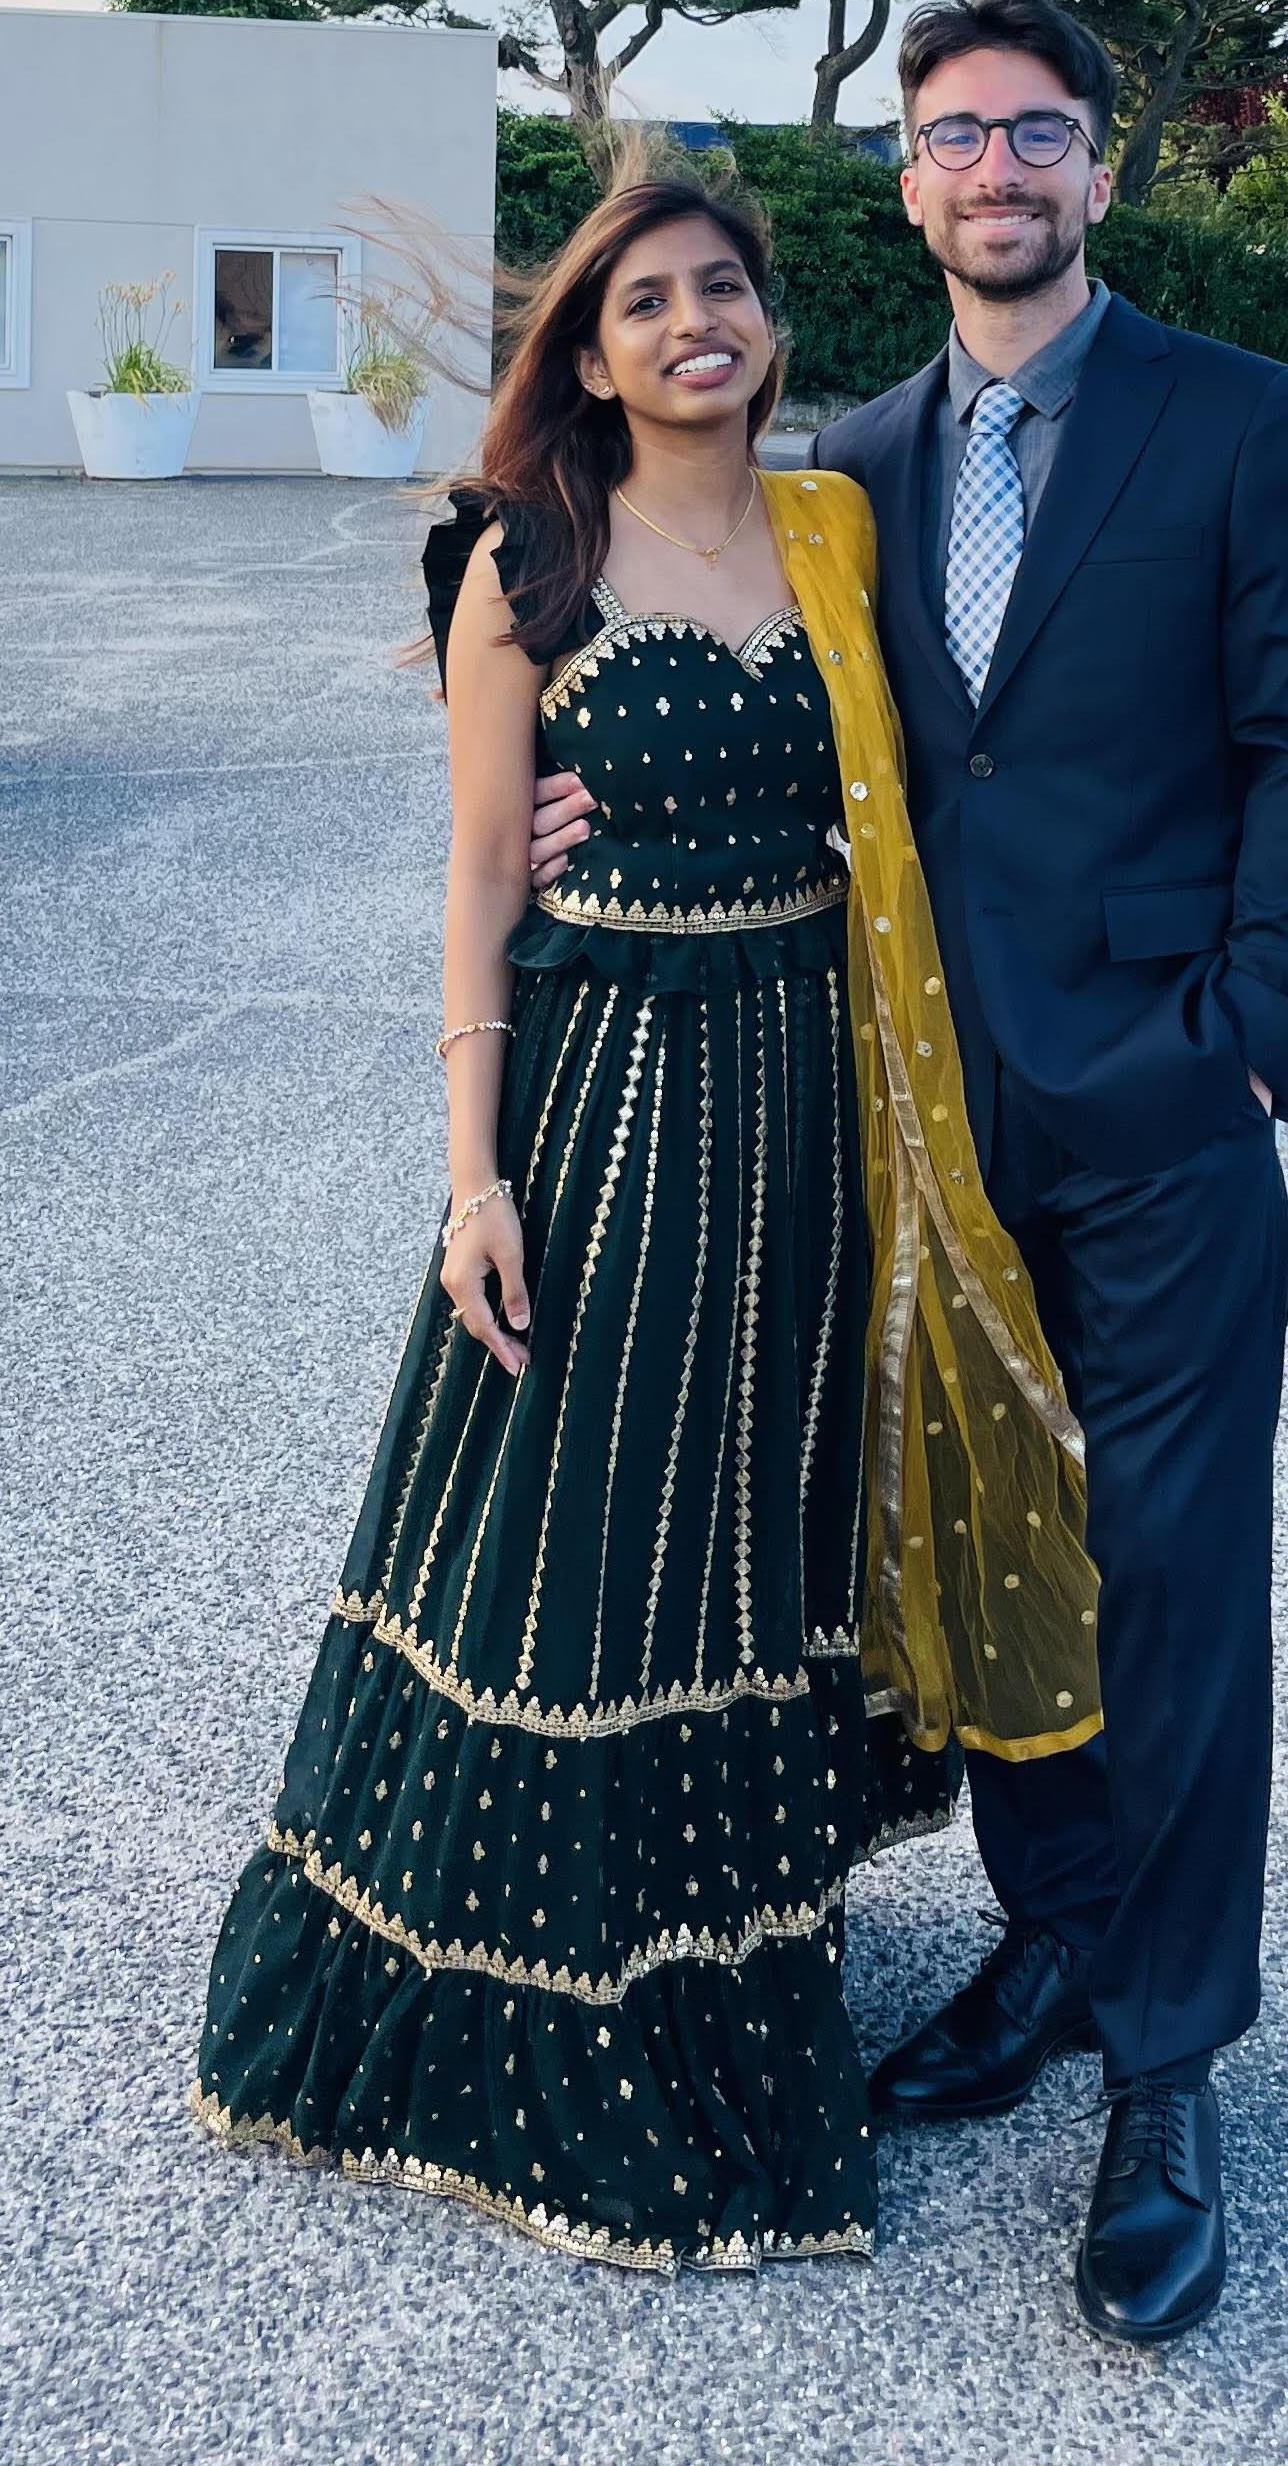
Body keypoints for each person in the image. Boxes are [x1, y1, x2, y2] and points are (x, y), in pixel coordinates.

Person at [532, 0, 1288, 2342]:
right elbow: (705, 658)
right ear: (906, 184)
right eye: (951, 138)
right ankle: (1056, 1934)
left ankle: (1169, 2068)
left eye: (1034, 133)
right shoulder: (854, 464)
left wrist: (1258, 1048)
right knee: (980, 1540)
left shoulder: (1243, 421)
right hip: (915, 1114)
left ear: (1103, 168)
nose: (994, 171)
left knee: (1171, 1580)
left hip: (1165, 1107)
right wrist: (567, 791)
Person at [192, 167, 1100, 2273]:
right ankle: (558, 1970)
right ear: (591, 359)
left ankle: (740, 1936)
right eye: (647, 304)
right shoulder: (525, 554)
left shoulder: (836, 529)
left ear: (771, 322)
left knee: (756, 1522)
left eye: (724, 291)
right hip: (615, 1101)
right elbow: (477, 874)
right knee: (593, 1533)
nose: (696, 324)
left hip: (811, 1102)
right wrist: (473, 1180)